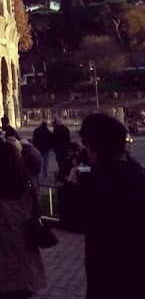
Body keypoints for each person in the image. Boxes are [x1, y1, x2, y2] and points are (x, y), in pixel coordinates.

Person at [79, 113, 145, 298]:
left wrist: (71, 181)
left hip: (108, 278)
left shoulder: (98, 182)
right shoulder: (136, 173)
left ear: (92, 147)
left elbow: (75, 220)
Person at [0, 141, 47, 298]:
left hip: (3, 237)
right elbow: (37, 208)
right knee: (26, 276)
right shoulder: (26, 180)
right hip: (26, 234)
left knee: (8, 284)